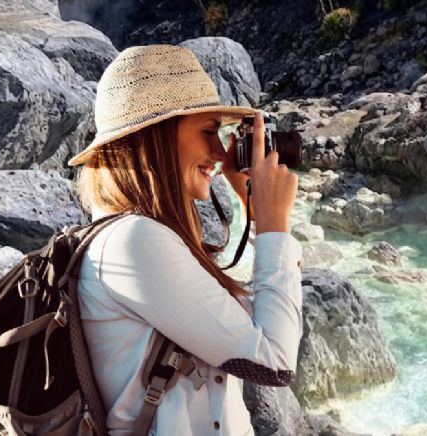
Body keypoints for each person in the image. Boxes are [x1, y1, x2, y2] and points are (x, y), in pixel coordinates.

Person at [66, 44, 303, 435]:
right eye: (209, 132)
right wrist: (274, 225)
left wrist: (252, 212)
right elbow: (274, 362)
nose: (218, 153)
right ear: (155, 138)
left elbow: (240, 328)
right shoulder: (134, 241)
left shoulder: (139, 236)